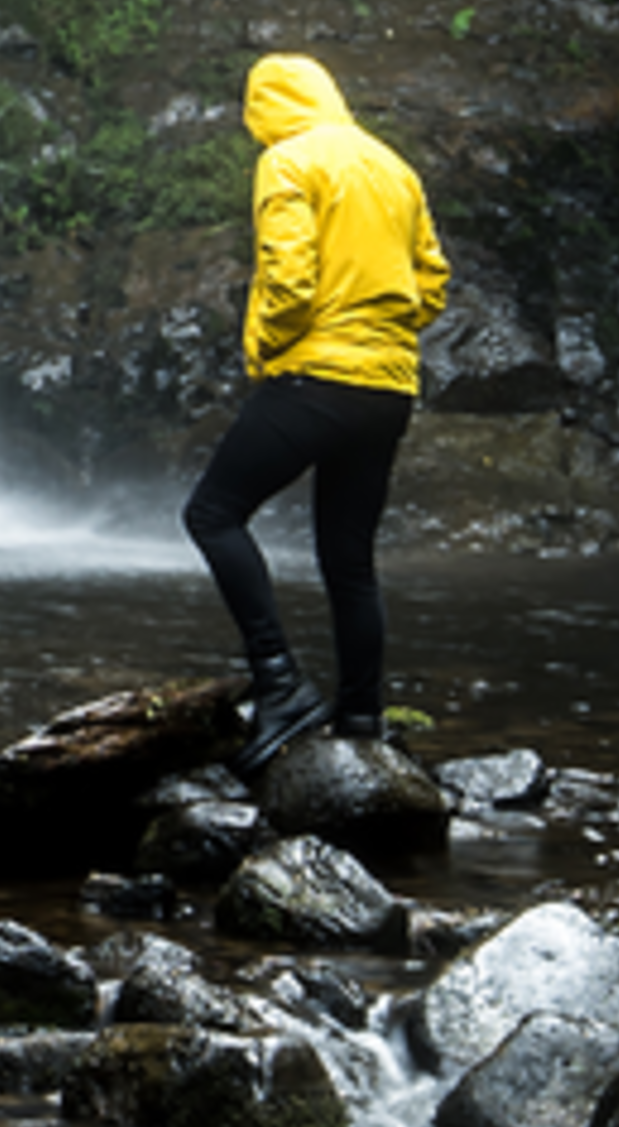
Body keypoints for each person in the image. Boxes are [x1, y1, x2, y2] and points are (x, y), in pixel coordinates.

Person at [181, 52, 450, 772]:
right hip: (389, 386)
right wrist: (382, 332)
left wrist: (268, 349)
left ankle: (280, 681)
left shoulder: (290, 160)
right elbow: (432, 282)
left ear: (265, 107)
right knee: (349, 559)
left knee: (213, 513)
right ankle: (362, 715)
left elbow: (290, 280)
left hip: (315, 374)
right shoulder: (392, 166)